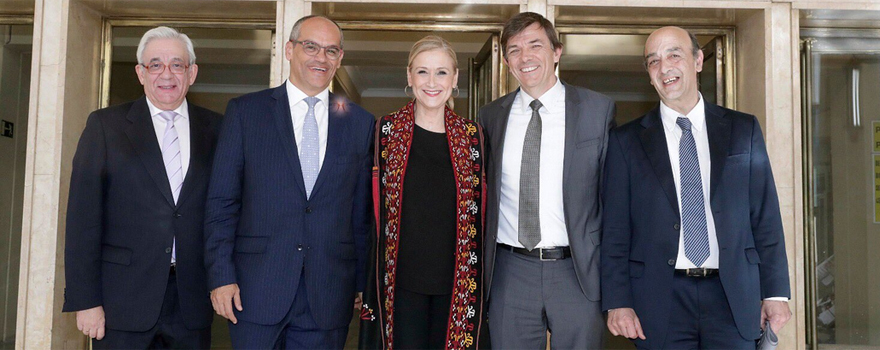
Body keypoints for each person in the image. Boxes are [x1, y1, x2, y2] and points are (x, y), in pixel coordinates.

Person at [601, 26, 792, 349]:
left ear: (698, 60)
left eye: (674, 55)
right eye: (653, 61)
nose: (664, 68)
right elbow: (615, 229)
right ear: (649, 75)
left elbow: (765, 216)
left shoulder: (742, 130)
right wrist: (617, 301)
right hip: (659, 300)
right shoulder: (626, 141)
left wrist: (774, 293)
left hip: (733, 298)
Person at [204, 15, 374, 349]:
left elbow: (360, 214)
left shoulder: (359, 123)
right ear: (289, 50)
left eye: (331, 50)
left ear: (340, 58)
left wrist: (360, 281)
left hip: (327, 295)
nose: (320, 57)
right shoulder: (245, 113)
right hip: (254, 290)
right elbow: (222, 203)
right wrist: (221, 277)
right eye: (311, 46)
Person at [62, 26, 219, 349]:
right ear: (140, 73)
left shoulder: (220, 128)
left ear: (192, 73)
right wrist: (85, 300)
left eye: (177, 64)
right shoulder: (105, 127)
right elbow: (82, 220)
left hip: (191, 300)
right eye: (155, 64)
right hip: (121, 300)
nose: (167, 74)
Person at [478, 12, 616, 349]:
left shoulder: (598, 110)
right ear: (507, 61)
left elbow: (613, 200)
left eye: (535, 45)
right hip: (509, 269)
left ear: (557, 51)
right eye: (513, 50)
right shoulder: (490, 116)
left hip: (578, 271)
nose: (524, 57)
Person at [359, 35, 488, 350]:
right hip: (399, 285)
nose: (432, 82)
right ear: (409, 76)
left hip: (458, 285)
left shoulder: (474, 138)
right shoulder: (384, 132)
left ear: (455, 78)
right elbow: (366, 212)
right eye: (422, 72)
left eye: (442, 72)